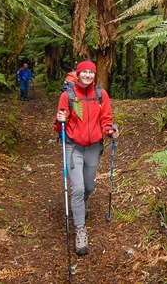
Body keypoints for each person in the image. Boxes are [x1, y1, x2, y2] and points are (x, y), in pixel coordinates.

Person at [53, 60, 119, 256]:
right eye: (85, 72)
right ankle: (80, 230)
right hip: (73, 147)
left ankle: (82, 203)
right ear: (79, 74)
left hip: (93, 147)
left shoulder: (101, 95)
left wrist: (110, 131)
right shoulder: (68, 96)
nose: (88, 75)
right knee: (78, 188)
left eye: (91, 72)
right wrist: (60, 121)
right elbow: (59, 126)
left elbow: (106, 119)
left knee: (89, 186)